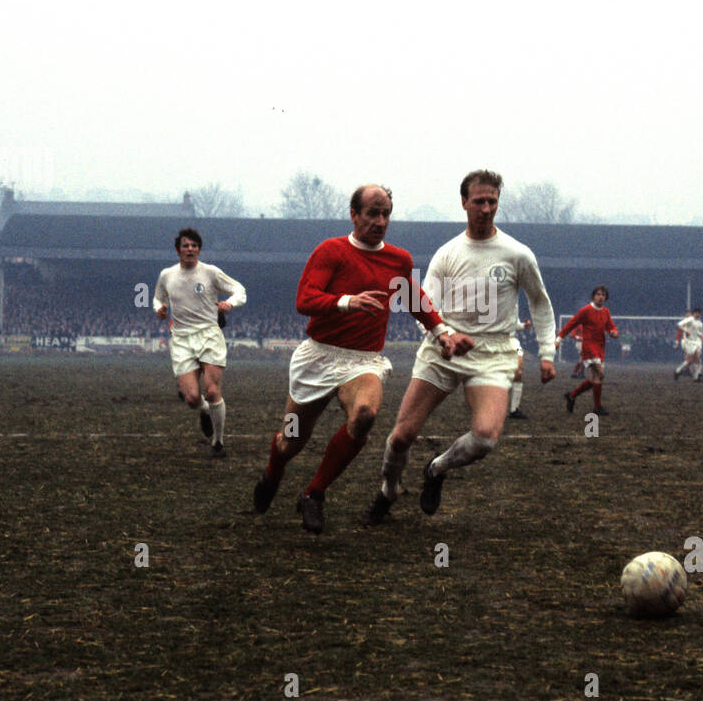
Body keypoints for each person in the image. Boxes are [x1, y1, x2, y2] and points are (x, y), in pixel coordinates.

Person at [253, 185, 467, 534]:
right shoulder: (330, 250)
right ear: (354, 215)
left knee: (365, 415)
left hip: (363, 361)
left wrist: (441, 332)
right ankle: (273, 471)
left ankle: (313, 493)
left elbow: (415, 299)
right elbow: (305, 299)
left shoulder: (399, 259)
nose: (380, 221)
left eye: (385, 214)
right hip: (318, 357)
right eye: (372, 213)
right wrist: (346, 301)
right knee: (291, 441)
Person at [367, 169, 556, 524]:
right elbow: (425, 307)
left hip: (492, 355)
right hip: (444, 350)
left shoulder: (518, 254)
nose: (486, 208)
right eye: (479, 201)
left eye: (492, 202)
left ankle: (436, 468)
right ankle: (388, 490)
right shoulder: (447, 254)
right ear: (464, 203)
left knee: (485, 438)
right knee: (401, 436)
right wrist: (447, 336)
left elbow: (540, 303)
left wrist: (547, 354)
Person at [153, 228, 247, 455]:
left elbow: (239, 289)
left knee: (213, 391)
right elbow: (157, 297)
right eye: (185, 246)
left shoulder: (211, 272)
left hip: (209, 335)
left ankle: (218, 441)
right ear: (178, 250)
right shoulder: (167, 275)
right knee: (193, 398)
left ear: (199, 249)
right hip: (182, 339)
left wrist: (230, 303)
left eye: (194, 246)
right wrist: (160, 309)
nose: (190, 249)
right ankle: (205, 411)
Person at [558, 285, 619, 415]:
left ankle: (572, 395)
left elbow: (611, 327)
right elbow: (572, 323)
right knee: (600, 374)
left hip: (600, 348)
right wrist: (559, 337)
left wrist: (614, 333)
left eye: (603, 295)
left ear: (606, 298)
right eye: (598, 294)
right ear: (593, 296)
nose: (600, 297)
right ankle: (597, 407)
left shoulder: (605, 312)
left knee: (594, 379)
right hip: (589, 347)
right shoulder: (586, 310)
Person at [508, 317, 533, 419]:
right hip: (497, 343)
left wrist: (523, 326)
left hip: (514, 343)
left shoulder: (513, 305)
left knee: (519, 372)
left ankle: (514, 410)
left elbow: (516, 325)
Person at [673, 307, 703, 381]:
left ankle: (697, 376)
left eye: (699, 313)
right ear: (694, 314)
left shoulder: (700, 323)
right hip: (690, 342)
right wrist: (686, 330)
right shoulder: (690, 319)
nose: (698, 315)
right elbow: (679, 324)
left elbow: (700, 332)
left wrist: (702, 335)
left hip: (697, 342)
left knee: (698, 358)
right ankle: (678, 371)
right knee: (690, 360)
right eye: (696, 313)